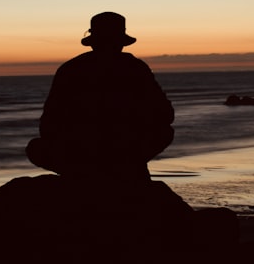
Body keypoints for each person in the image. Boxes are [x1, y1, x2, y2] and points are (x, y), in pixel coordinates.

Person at [26, 12, 174, 181]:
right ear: (121, 42)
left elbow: (48, 123)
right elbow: (165, 113)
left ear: (93, 42)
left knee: (35, 148)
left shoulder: (70, 69)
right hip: (124, 150)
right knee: (165, 132)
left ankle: (83, 173)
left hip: (80, 153)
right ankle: (120, 169)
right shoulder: (135, 68)